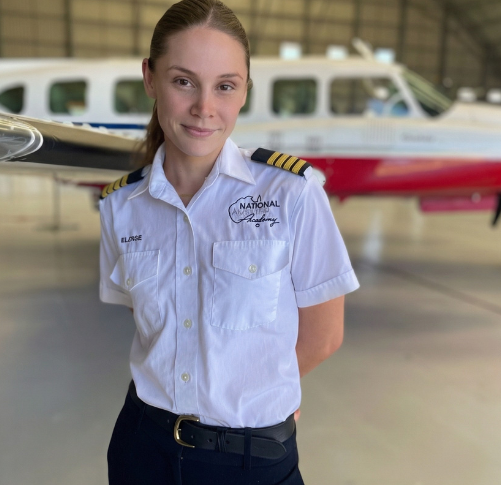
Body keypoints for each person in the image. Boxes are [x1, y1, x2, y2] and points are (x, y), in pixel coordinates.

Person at [99, 1, 359, 483]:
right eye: (183, 81)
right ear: (150, 79)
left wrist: (262, 394)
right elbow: (156, 328)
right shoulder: (122, 205)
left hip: (252, 458)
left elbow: (324, 336)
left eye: (225, 86)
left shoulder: (292, 194)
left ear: (244, 92)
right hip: (142, 447)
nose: (204, 107)